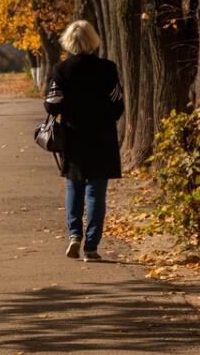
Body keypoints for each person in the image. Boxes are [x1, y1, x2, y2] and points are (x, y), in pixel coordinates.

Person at [44, 20, 124, 262]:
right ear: (93, 40)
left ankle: (74, 236)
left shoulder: (61, 70)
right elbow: (117, 103)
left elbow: (51, 104)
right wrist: (104, 120)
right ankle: (91, 247)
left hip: (73, 137)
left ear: (69, 42)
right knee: (96, 193)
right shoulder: (108, 69)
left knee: (74, 187)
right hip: (102, 138)